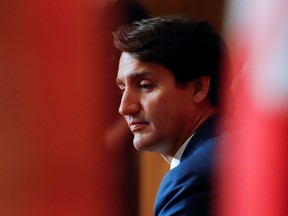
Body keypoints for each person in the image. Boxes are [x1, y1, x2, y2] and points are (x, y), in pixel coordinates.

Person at [113, 15, 231, 216]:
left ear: (198, 88)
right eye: (122, 88)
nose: (125, 108)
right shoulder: (233, 150)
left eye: (144, 86)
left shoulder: (191, 179)